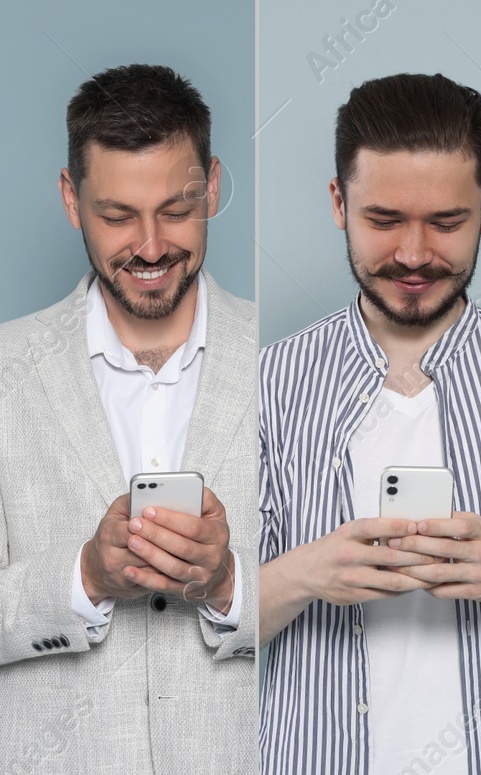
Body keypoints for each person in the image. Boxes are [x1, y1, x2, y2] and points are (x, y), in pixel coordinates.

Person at [257, 73, 481, 775]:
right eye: (383, 220)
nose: (412, 254)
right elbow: (203, 624)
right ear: (338, 203)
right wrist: (306, 573)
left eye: (445, 222)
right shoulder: (270, 384)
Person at [0, 63, 258, 774]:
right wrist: (84, 574)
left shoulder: (289, 364)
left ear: (211, 186)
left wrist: (232, 581)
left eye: (176, 209)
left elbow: (336, 602)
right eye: (117, 215)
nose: (149, 246)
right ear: (70, 199)